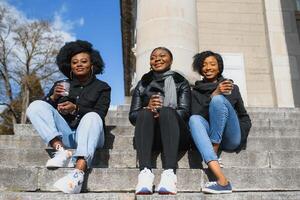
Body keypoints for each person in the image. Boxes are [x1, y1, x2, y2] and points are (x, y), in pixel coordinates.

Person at [26, 40, 111, 194]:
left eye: (84, 61)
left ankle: (78, 174)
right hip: (66, 133)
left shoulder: (102, 87)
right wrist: (52, 98)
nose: (79, 64)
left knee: (92, 116)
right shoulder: (61, 84)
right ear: (69, 66)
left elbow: (100, 114)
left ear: (92, 64)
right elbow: (44, 112)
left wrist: (76, 109)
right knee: (35, 105)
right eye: (74, 62)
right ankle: (61, 151)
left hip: (91, 134)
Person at [129, 47, 191, 195]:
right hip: (150, 135)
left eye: (162, 56)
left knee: (168, 112)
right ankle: (145, 172)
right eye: (153, 57)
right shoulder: (143, 84)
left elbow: (185, 112)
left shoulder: (180, 82)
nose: (157, 59)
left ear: (171, 60)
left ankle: (169, 172)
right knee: (144, 113)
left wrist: (164, 111)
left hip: (175, 134)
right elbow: (133, 116)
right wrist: (149, 108)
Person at [189, 51, 251, 194]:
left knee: (218, 101)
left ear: (219, 67)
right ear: (200, 69)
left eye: (212, 64)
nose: (208, 68)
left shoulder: (232, 88)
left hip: (230, 138)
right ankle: (222, 181)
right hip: (209, 133)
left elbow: (244, 117)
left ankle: (214, 148)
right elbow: (197, 115)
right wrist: (214, 94)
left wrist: (241, 136)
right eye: (204, 65)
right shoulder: (195, 92)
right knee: (194, 119)